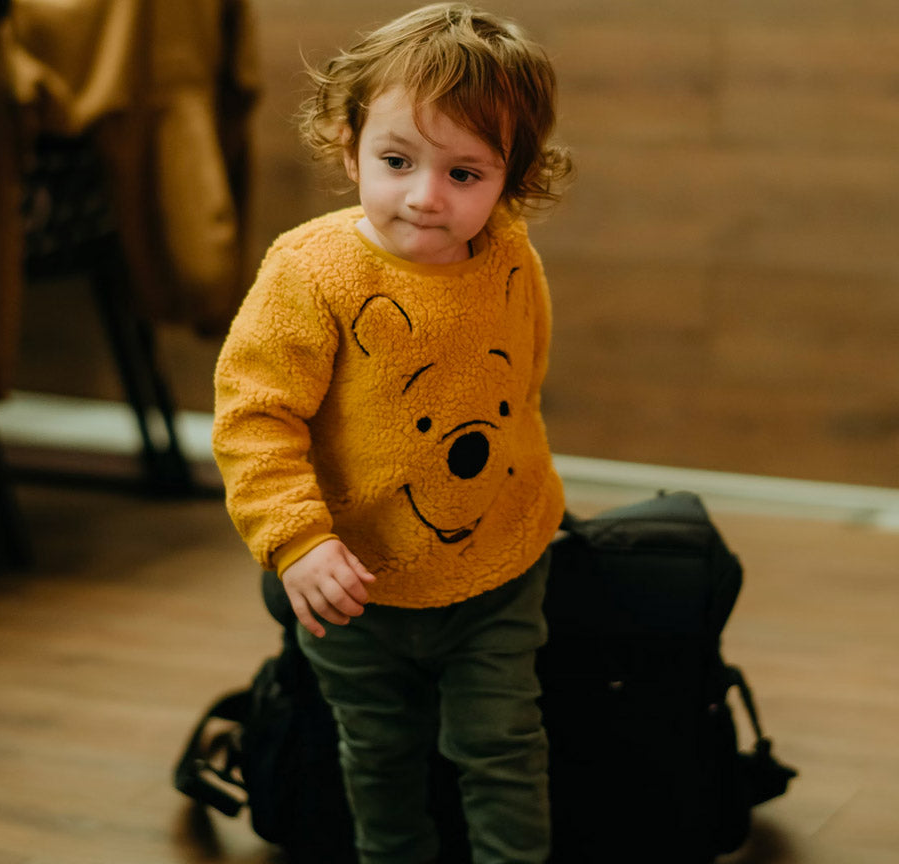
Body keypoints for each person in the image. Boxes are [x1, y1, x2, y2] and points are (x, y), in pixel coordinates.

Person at [211, 4, 572, 862]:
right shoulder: (311, 273)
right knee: (378, 752)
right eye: (397, 160)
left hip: (497, 573)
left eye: (464, 173)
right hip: (357, 585)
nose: (425, 196)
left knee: (503, 747)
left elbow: (521, 380)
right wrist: (297, 540)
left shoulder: (510, 253)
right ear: (350, 147)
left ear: (513, 178)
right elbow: (254, 417)